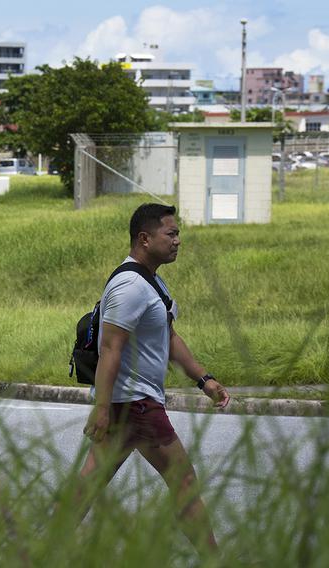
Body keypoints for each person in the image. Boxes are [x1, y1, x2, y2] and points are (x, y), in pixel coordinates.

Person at [77, 203, 230, 558]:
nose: (178, 241)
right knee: (184, 482)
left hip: (128, 404)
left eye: (178, 234)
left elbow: (169, 336)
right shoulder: (130, 285)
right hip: (136, 404)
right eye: (171, 234)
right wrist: (101, 407)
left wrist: (203, 379)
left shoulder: (151, 281)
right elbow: (111, 348)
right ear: (145, 239)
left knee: (87, 485)